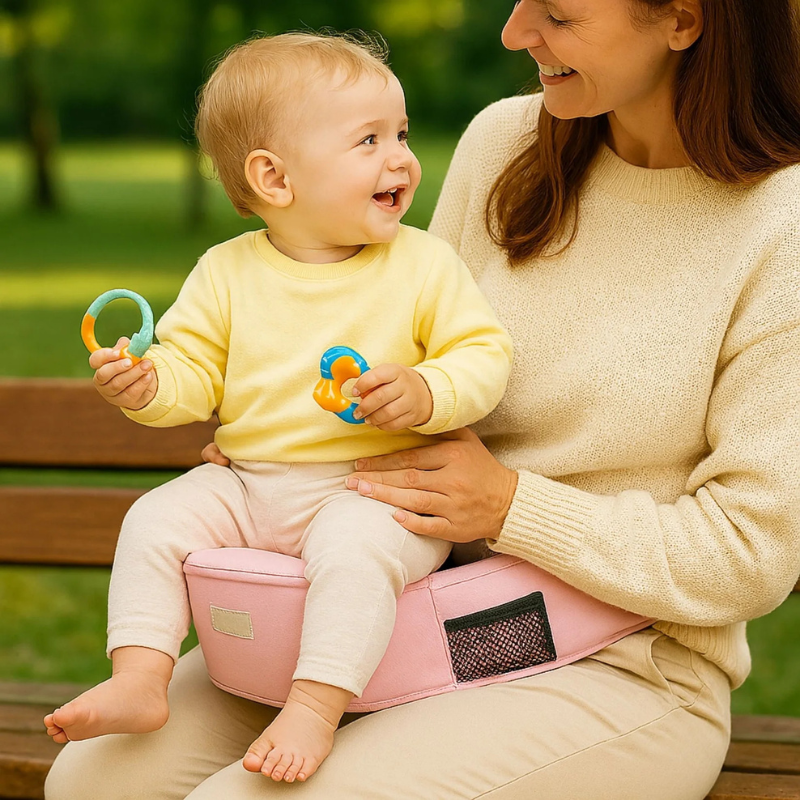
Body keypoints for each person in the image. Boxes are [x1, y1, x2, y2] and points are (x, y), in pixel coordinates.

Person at [45, 0, 800, 797]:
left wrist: (508, 507)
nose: (514, 32)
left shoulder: (780, 225)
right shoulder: (507, 141)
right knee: (94, 782)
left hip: (615, 658)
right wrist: (291, 440)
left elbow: (751, 555)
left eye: (558, 14)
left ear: (683, 20)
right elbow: (404, 335)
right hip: (400, 606)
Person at [42, 32, 513, 785]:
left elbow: (484, 356)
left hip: (371, 490)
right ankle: (140, 676)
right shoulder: (226, 272)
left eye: (401, 133)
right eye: (368, 140)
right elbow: (193, 372)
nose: (399, 158)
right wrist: (150, 386)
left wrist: (429, 392)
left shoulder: (423, 264)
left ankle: (314, 706)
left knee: (357, 552)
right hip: (251, 482)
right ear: (274, 177)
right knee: (155, 518)